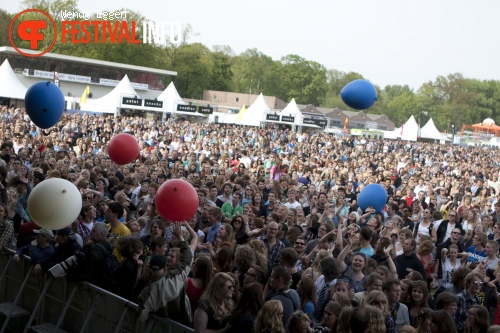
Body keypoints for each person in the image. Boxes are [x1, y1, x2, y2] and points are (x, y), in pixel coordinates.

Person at [137, 223, 194, 324]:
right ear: (165, 267)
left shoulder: (146, 291)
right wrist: (180, 236)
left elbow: (141, 319)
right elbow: (188, 258)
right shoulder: (175, 277)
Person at [66, 223, 112, 287]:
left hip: (92, 287)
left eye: (94, 231)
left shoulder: (95, 249)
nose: (90, 232)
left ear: (101, 234)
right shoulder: (107, 245)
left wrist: (68, 276)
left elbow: (87, 273)